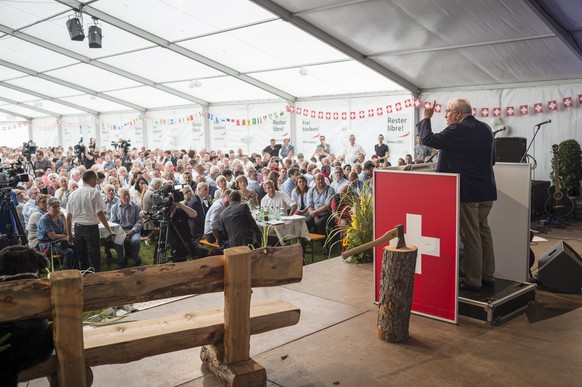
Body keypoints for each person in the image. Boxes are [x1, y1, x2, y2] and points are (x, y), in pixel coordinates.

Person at [418, 98, 497, 292]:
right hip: (486, 190)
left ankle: (473, 280)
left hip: (468, 192)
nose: (445, 116)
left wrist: (426, 118)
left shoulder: (458, 129)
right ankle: (488, 276)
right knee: (483, 232)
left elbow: (428, 140)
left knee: (471, 237)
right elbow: (492, 160)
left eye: (447, 112)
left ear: (458, 113)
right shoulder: (486, 128)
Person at [66, 170, 115, 272]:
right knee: (94, 258)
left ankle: (85, 278)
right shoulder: (94, 193)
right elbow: (100, 214)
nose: (96, 182)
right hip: (91, 229)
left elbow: (68, 216)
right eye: (96, 180)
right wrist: (109, 230)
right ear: (92, 179)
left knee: (82, 257)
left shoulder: (72, 194)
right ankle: (95, 279)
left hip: (78, 228)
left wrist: (69, 234)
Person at [37, 198, 76, 270]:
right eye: (54, 207)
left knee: (75, 246)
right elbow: (53, 236)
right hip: (47, 245)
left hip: (58, 242)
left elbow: (66, 232)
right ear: (48, 207)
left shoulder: (59, 218)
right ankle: (66, 272)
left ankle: (76, 268)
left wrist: (64, 218)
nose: (57, 208)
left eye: (58, 206)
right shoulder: (44, 219)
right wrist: (66, 235)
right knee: (68, 252)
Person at [109, 188, 143, 268]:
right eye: (125, 195)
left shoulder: (136, 207)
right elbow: (114, 222)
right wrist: (122, 234)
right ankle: (121, 260)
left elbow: (139, 221)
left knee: (135, 241)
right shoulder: (114, 208)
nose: (127, 197)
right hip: (120, 230)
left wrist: (132, 231)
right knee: (117, 242)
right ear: (119, 196)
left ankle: (136, 258)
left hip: (133, 230)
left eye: (128, 195)